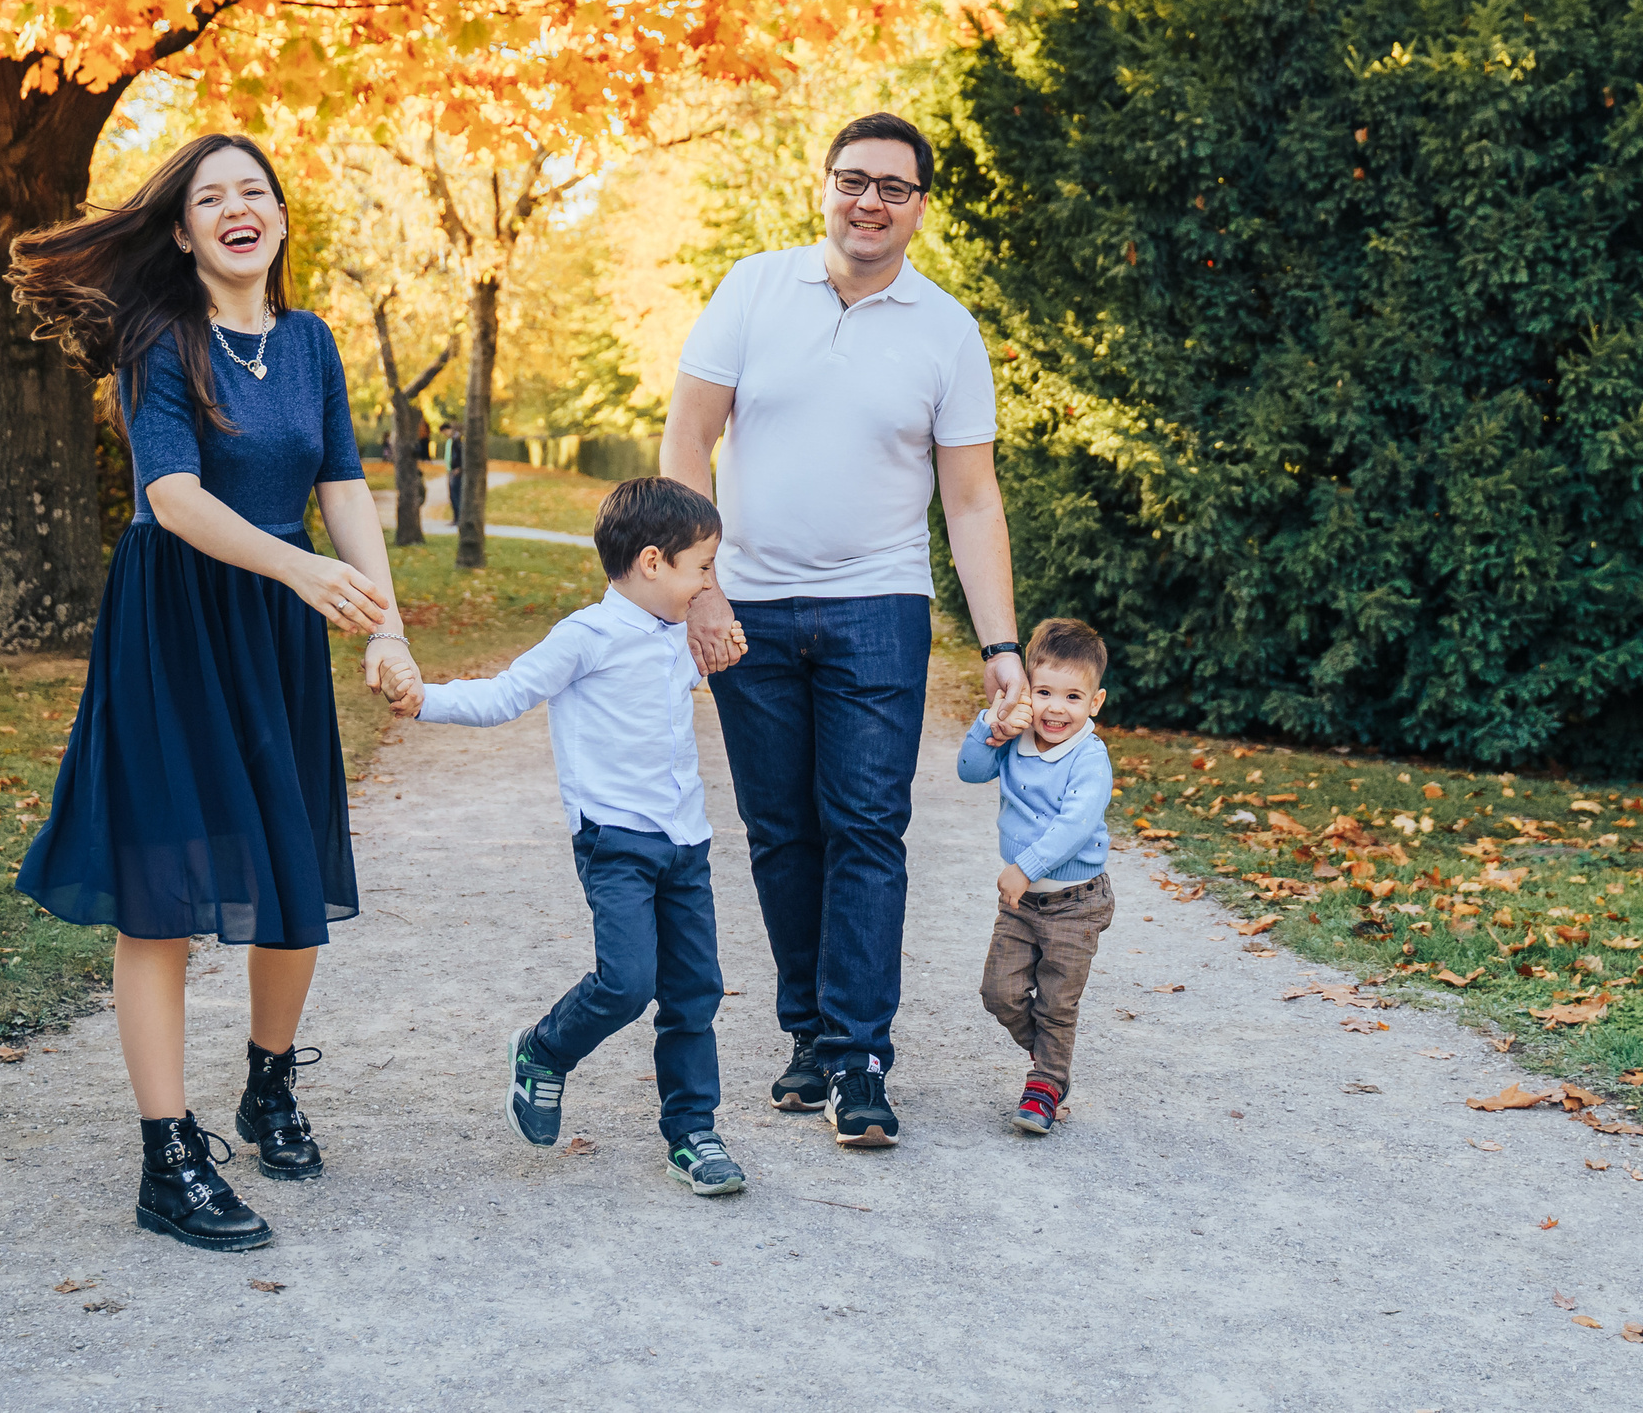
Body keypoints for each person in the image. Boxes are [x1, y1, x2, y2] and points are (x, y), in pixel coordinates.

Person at [9, 133, 426, 1253]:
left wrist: (385, 630)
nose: (237, 208)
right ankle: (166, 1156)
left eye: (255, 191)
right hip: (176, 622)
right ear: (184, 230)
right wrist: (298, 571)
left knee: (290, 866)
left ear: (279, 219)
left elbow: (342, 489)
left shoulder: (311, 344)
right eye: (211, 197)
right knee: (163, 889)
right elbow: (176, 498)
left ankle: (269, 1086)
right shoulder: (158, 341)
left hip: (275, 635)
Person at [660, 111, 1025, 1151]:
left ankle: (861, 1054)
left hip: (878, 608)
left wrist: (998, 646)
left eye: (893, 188)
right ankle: (810, 1035)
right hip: (750, 608)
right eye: (852, 180)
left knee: (866, 826)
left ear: (918, 207)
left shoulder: (945, 331)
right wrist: (703, 589)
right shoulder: (751, 289)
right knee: (780, 831)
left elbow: (969, 502)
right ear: (822, 185)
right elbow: (688, 436)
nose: (869, 202)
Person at [409, 478, 753, 1195]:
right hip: (617, 843)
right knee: (628, 983)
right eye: (702, 567)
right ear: (653, 562)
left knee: (695, 990)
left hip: (685, 842)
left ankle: (693, 1131)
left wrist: (718, 648)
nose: (708, 583)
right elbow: (507, 692)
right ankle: (543, 1049)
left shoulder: (677, 637)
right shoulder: (585, 637)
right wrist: (424, 699)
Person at [957, 618, 1116, 1136]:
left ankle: (1046, 1082)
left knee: (1057, 1000)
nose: (1055, 708)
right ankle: (1047, 1050)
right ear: (1027, 690)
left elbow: (1076, 825)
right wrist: (993, 722)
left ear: (1094, 703)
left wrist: (1024, 868)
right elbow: (970, 770)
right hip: (1022, 906)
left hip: (1076, 902)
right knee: (998, 992)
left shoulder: (1090, 758)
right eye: (1044, 691)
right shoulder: (1016, 738)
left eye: (1073, 696)